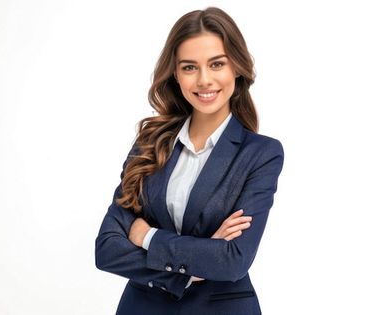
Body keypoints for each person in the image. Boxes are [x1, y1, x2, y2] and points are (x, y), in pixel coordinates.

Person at [95, 7, 284, 315]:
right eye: (189, 67)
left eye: (217, 64)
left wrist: (147, 236)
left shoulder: (260, 154)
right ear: (176, 74)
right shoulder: (150, 143)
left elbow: (233, 259)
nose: (204, 80)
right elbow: (107, 249)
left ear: (236, 66)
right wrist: (189, 271)